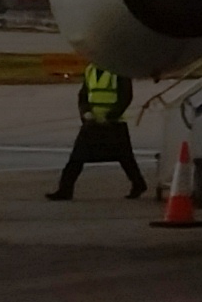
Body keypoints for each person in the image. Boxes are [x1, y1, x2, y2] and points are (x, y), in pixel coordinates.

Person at [45, 61, 146, 202]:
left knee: (125, 157)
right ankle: (65, 190)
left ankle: (138, 184)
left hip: (113, 123)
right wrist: (85, 112)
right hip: (92, 123)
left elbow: (125, 96)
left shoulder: (119, 71)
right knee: (77, 157)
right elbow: (83, 95)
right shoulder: (90, 70)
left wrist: (112, 116)